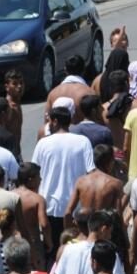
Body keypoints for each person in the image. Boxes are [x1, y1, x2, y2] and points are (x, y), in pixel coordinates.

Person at [32, 106, 96, 262]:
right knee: (76, 252)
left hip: (50, 206)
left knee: (53, 252)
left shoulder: (43, 143)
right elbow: (91, 172)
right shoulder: (83, 142)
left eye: (49, 121)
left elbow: (34, 171)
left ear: (54, 121)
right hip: (76, 208)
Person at [66, 145, 126, 226]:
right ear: (110, 162)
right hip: (103, 232)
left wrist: (68, 232)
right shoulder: (115, 183)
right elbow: (118, 216)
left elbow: (68, 212)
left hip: (84, 230)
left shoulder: (81, 181)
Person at [0, 96, 21, 161]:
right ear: (3, 114)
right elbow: (14, 161)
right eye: (9, 111)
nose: (11, 113)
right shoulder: (7, 137)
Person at [2, 69, 25, 142]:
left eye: (21, 83)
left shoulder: (17, 104)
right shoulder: (7, 108)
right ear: (7, 87)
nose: (19, 86)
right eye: (14, 83)